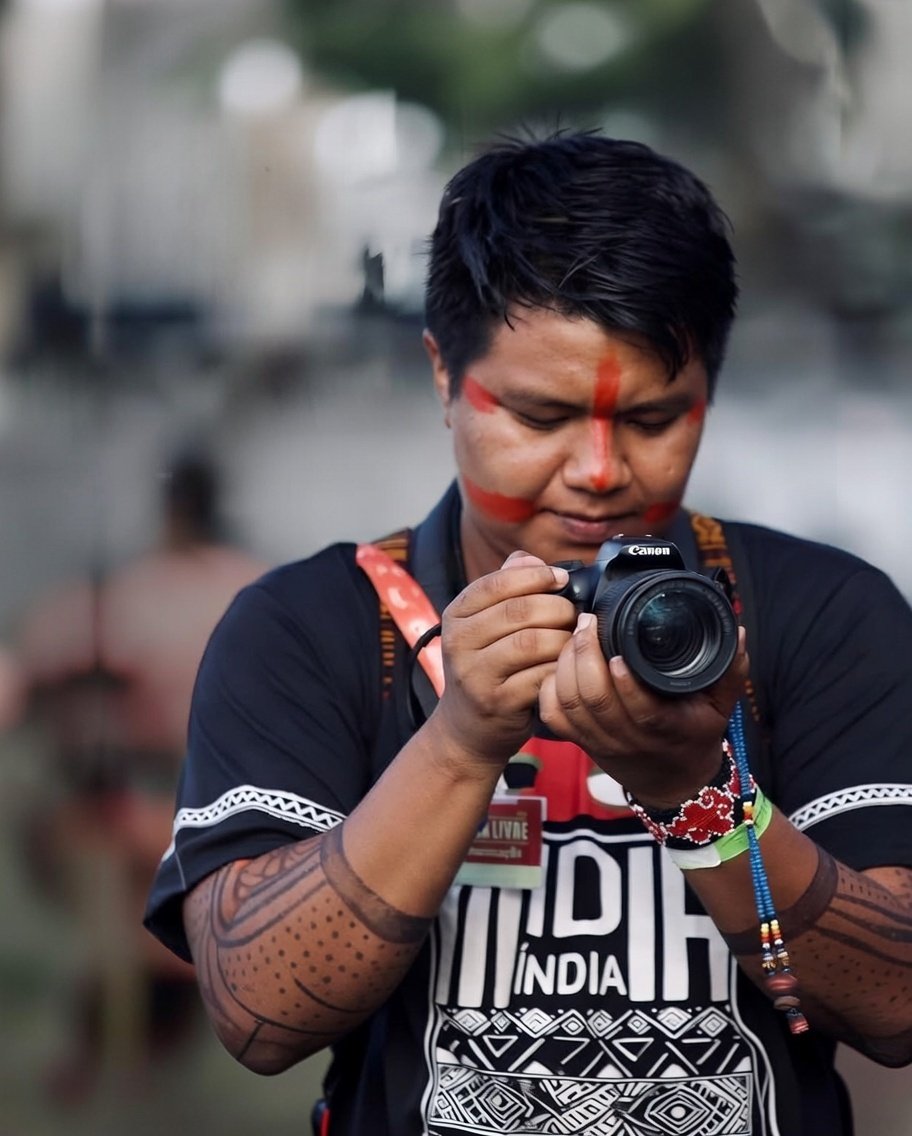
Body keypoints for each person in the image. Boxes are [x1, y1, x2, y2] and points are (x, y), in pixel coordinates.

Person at [144, 133, 912, 1135]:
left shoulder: (818, 612)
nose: (598, 470)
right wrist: (460, 738)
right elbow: (257, 1009)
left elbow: (898, 1007)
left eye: (651, 419)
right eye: (541, 415)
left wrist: (698, 795)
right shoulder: (317, 624)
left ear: (707, 395)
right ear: (442, 378)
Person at [15, 450, 268, 1101]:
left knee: (137, 934)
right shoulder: (257, 588)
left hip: (158, 809)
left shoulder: (135, 592)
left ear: (173, 509)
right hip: (206, 812)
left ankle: (120, 1057)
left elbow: (30, 676)